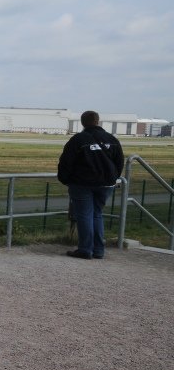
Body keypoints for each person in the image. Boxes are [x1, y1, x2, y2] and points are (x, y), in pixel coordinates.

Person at [57, 110, 124, 259]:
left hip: (82, 184)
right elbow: (119, 162)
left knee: (84, 215)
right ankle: (99, 250)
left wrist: (65, 179)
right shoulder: (112, 139)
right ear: (98, 121)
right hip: (106, 184)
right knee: (97, 214)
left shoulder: (78, 139)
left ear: (82, 123)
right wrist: (113, 178)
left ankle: (85, 249)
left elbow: (66, 162)